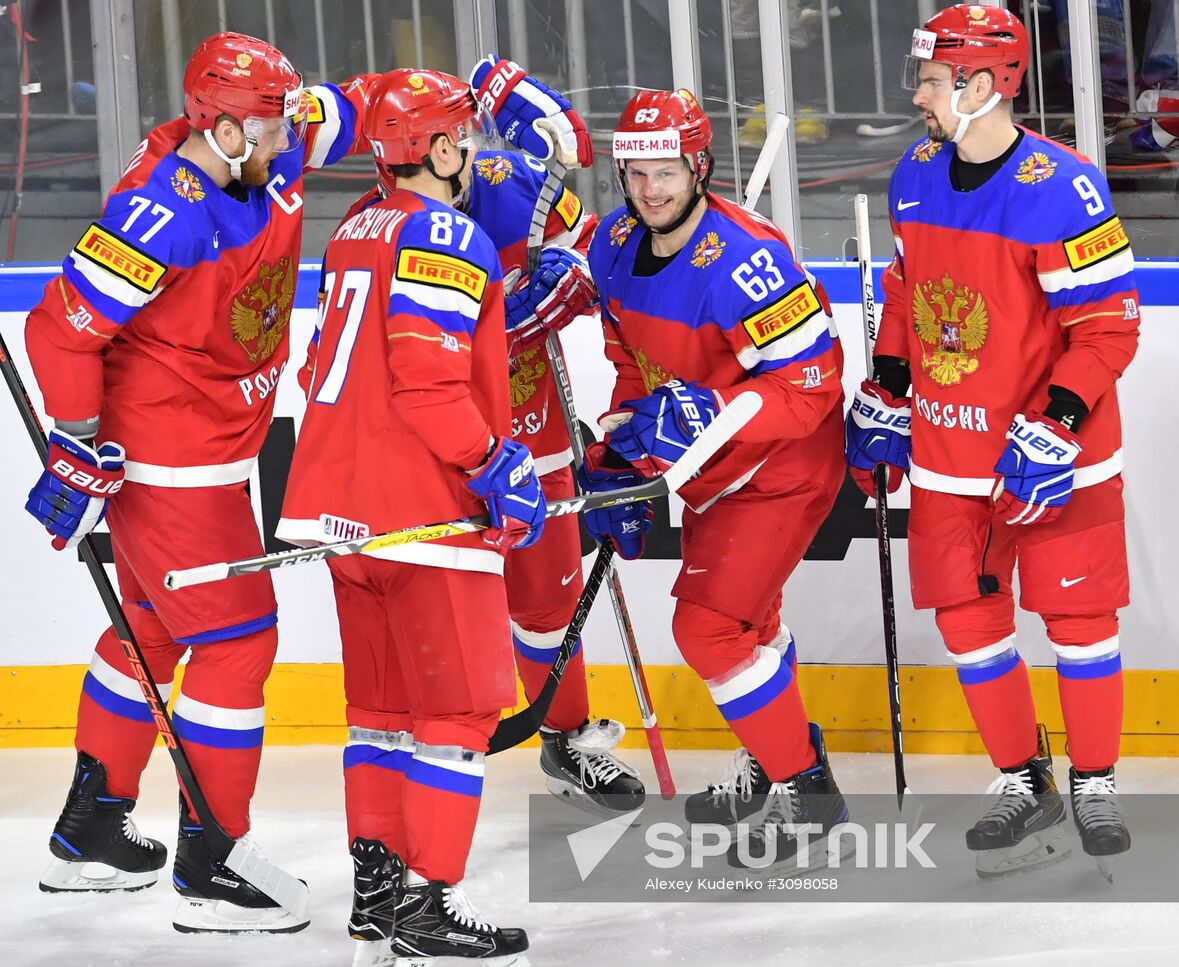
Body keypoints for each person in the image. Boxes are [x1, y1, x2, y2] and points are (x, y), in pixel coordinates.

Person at [21, 31, 590, 933]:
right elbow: (58, 330)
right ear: (220, 126)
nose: (294, 141)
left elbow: (367, 103)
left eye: (290, 123)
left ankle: (92, 824)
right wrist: (80, 437)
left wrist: (478, 91)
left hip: (215, 450)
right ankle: (211, 863)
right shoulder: (155, 211)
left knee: (151, 628)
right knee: (239, 643)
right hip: (170, 459)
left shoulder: (270, 147)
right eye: (272, 127)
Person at [846, 4, 1139, 878]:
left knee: (1079, 622)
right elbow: (905, 295)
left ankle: (1093, 781)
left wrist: (1056, 425)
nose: (918, 99)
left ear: (982, 85)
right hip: (947, 458)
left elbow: (1107, 329)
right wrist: (887, 391)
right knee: (971, 624)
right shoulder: (915, 173)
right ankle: (1025, 781)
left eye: (931, 82)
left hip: (1057, 458)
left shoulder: (1064, 186)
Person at [276, 68, 541, 967]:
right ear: (433, 148)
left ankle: (377, 911)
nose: (468, 151)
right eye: (459, 137)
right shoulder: (447, 235)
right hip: (422, 510)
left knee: (380, 716)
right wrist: (493, 465)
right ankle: (429, 912)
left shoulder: (353, 228)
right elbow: (428, 384)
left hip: (339, 509)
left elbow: (321, 366)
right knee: (457, 711)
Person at [298, 122, 646, 824]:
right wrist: (498, 329)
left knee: (547, 607)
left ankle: (566, 737)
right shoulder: (373, 224)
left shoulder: (510, 183)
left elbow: (591, 249)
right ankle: (430, 780)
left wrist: (568, 280)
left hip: (527, 433)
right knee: (433, 644)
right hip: (434, 464)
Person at [583, 88, 848, 873]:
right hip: (709, 473)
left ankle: (806, 788)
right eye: (635, 173)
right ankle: (774, 759)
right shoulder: (612, 244)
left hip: (780, 468)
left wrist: (705, 411)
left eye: (666, 171)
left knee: (705, 629)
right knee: (749, 626)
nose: (649, 189)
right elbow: (628, 357)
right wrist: (623, 451)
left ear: (698, 166)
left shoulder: (749, 259)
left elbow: (812, 383)